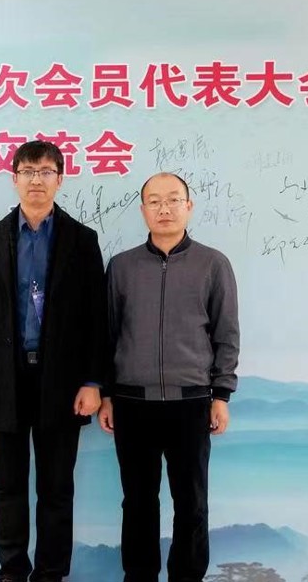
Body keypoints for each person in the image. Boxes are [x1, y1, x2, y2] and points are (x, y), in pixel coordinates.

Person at [0, 140, 108, 582]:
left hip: (62, 381)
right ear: (14, 179)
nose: (36, 180)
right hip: (3, 379)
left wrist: (93, 382)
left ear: (60, 179)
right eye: (28, 171)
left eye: (45, 172)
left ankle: (50, 573)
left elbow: (97, 318)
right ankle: (11, 571)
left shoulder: (82, 240)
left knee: (56, 487)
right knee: (7, 485)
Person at [98, 172, 240, 582]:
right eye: (155, 201)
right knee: (137, 503)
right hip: (132, 403)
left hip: (191, 402)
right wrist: (106, 395)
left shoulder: (213, 264)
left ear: (188, 207)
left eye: (173, 199)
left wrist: (221, 394)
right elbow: (106, 335)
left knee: (191, 504)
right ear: (143, 210)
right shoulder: (122, 267)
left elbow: (226, 334)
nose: (164, 208)